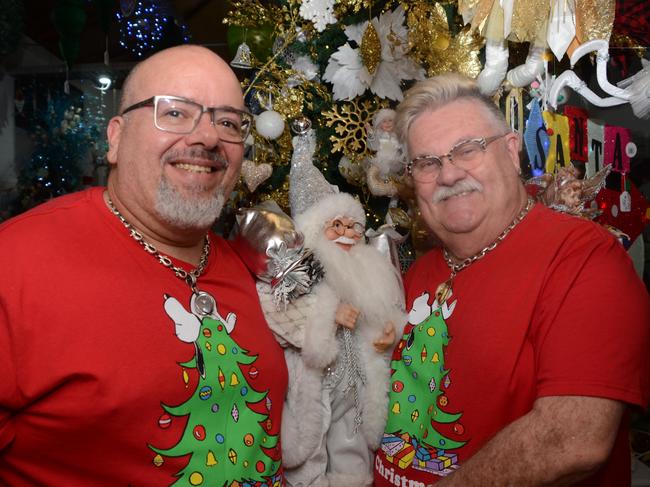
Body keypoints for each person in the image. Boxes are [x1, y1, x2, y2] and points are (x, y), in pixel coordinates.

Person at [0, 45, 287, 486]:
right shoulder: (15, 263)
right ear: (115, 137)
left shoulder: (245, 261)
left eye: (228, 122)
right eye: (174, 113)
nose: (208, 138)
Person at [374, 73, 650, 486]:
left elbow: (573, 440)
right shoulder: (419, 271)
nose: (448, 175)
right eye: (428, 163)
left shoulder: (584, 259)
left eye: (467, 150)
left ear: (511, 151)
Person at [251, 129, 407, 487]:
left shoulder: (370, 267)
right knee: (313, 440)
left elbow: (387, 308)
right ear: (317, 230)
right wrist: (327, 315)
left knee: (349, 431)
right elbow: (276, 310)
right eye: (337, 225)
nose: (349, 233)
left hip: (354, 372)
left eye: (354, 226)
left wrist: (390, 330)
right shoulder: (296, 268)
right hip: (314, 376)